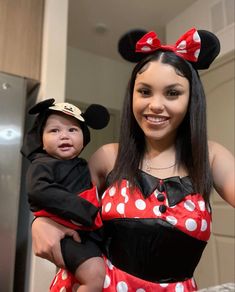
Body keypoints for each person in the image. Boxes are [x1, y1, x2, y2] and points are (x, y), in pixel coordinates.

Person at [31, 28, 235, 292]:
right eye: (145, 91)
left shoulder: (211, 157)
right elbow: (64, 204)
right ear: (132, 96)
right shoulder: (108, 156)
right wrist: (40, 221)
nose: (156, 105)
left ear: (191, 100)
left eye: (172, 93)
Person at [21, 99, 110, 291]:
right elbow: (40, 191)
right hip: (64, 233)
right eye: (54, 130)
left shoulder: (83, 165)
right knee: (95, 275)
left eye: (72, 130)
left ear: (84, 138)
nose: (64, 136)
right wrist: (88, 212)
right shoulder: (41, 164)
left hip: (85, 233)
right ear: (41, 141)